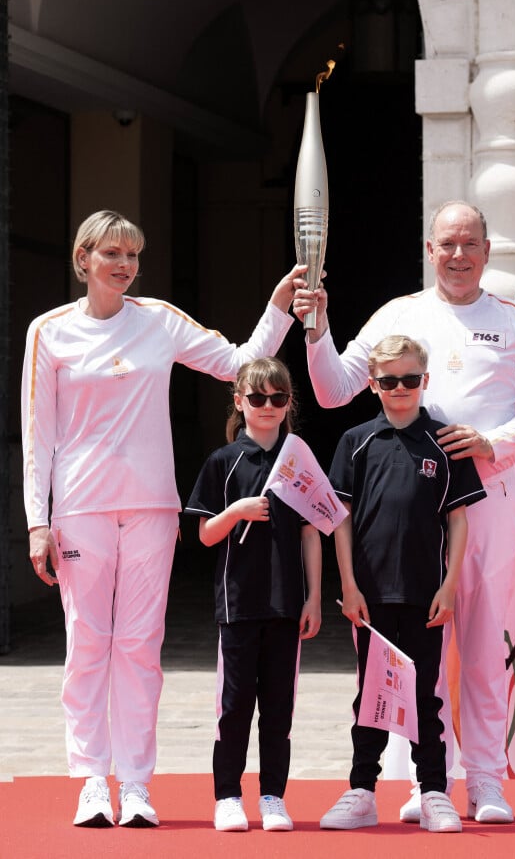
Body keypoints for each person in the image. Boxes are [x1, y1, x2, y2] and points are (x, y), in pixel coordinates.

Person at [21, 210, 303, 829]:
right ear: (83, 259)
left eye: (133, 255)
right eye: (112, 254)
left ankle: (138, 784)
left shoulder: (160, 322)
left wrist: (278, 309)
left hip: (152, 504)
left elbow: (238, 363)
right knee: (89, 644)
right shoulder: (50, 332)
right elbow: (37, 432)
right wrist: (37, 522)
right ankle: (93, 779)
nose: (124, 266)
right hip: (80, 505)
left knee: (141, 648)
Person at [293, 201, 515, 824]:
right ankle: (425, 782)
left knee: (483, 649)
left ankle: (488, 781)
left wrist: (494, 442)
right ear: (430, 249)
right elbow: (334, 390)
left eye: (470, 244)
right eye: (447, 244)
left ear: (486, 251)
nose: (458, 255)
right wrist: (316, 329)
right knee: (416, 652)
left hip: (485, 501)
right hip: (409, 513)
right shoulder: (400, 314)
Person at [320, 335, 485, 833]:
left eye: (410, 380)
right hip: (370, 596)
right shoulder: (357, 441)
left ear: (424, 382)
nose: (400, 389)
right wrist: (348, 584)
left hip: (424, 593)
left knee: (424, 697)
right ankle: (361, 790)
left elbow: (458, 520)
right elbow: (340, 519)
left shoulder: (445, 441)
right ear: (373, 385)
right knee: (370, 693)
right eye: (389, 381)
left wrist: (450, 585)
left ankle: (434, 790)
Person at [184, 357, 322, 832]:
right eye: (257, 397)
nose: (267, 406)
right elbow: (203, 534)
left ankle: (273, 796)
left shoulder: (298, 458)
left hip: (287, 606)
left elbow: (312, 531)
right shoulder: (223, 462)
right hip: (238, 605)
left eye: (277, 398)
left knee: (278, 709)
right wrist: (238, 510)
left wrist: (315, 597)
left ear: (288, 405)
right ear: (240, 401)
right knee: (236, 704)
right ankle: (227, 795)